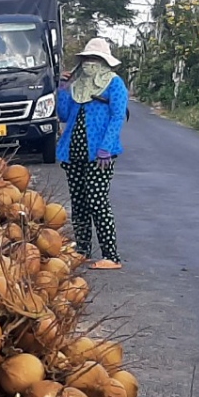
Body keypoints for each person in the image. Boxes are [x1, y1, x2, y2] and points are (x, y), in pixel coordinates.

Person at [56, 38, 129, 270]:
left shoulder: (114, 84)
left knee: (98, 202)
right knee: (79, 203)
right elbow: (64, 115)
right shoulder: (78, 85)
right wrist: (63, 89)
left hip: (100, 156)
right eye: (87, 59)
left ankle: (111, 256)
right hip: (73, 152)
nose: (89, 64)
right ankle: (82, 249)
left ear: (104, 62)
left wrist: (106, 147)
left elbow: (118, 116)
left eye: (94, 59)